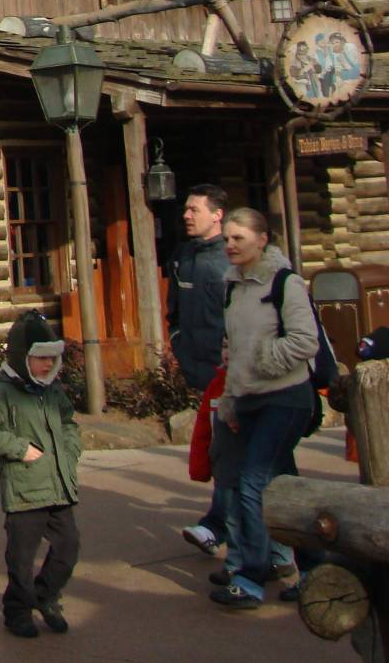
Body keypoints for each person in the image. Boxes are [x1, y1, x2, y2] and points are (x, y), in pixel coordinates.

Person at [210, 206, 319, 610]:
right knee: (285, 486)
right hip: (250, 399)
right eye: (226, 239)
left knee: (254, 482)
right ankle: (313, 569)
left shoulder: (286, 283)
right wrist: (233, 397)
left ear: (262, 239)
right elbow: (233, 349)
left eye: (238, 238)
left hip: (286, 397)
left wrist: (263, 360)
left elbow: (306, 341)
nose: (230, 245)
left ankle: (251, 578)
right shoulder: (232, 287)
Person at [0, 309, 83, 639]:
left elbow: (68, 423)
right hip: (23, 490)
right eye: (40, 358)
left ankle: (46, 596)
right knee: (21, 558)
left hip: (59, 485)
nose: (48, 365)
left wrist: (71, 450)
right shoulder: (1, 392)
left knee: (69, 548)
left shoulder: (52, 390)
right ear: (23, 358)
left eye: (52, 358)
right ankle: (17, 610)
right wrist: (19, 449)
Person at [169, 183, 230, 557]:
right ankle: (275, 549)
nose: (187, 215)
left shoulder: (230, 260)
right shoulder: (183, 256)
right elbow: (174, 308)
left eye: (195, 209)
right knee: (224, 454)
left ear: (217, 214)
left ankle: (218, 528)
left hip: (233, 374)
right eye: (187, 209)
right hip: (202, 371)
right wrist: (178, 342)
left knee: (231, 456)